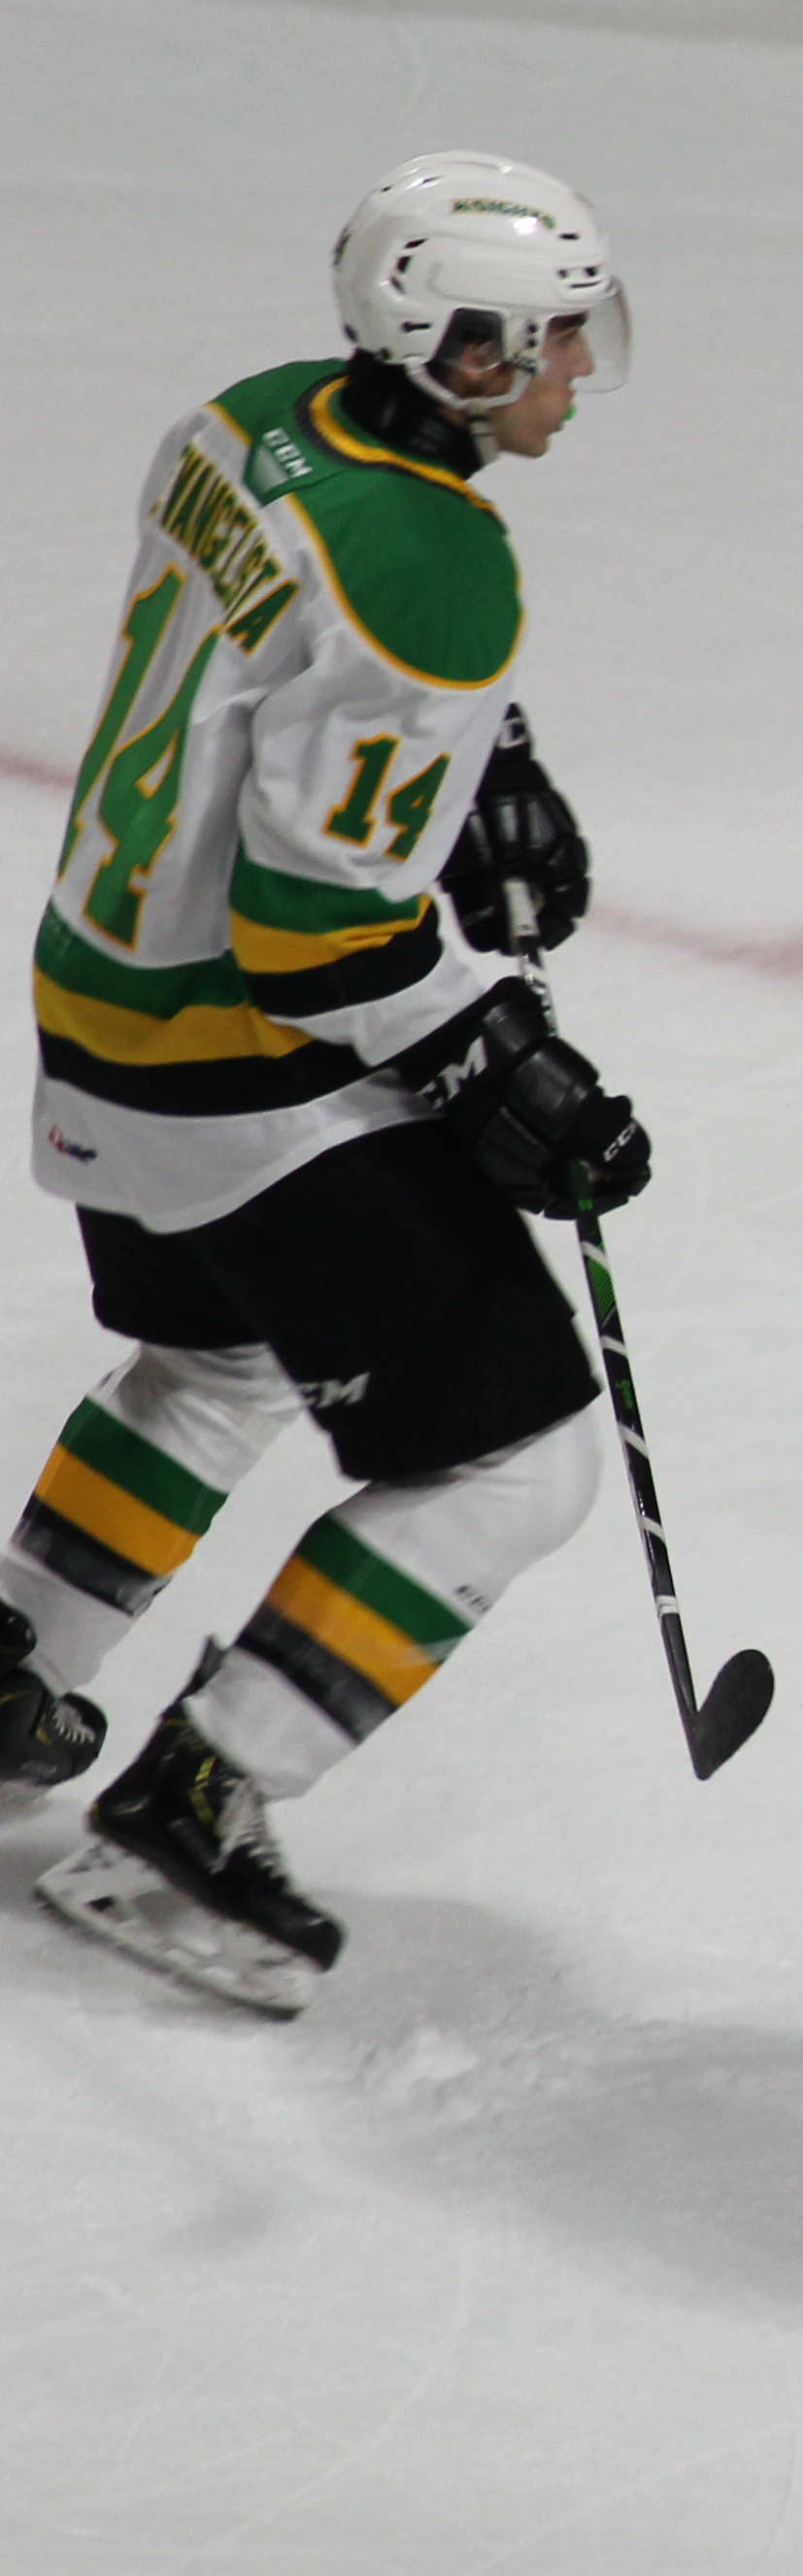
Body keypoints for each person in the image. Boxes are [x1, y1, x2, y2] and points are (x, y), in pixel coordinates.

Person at [7, 154, 652, 2017]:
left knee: (214, 1361)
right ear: (454, 353)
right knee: (516, 1460)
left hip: (97, 998)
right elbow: (323, 948)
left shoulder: (250, 421)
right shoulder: (438, 567)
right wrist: (507, 1070)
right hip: (231, 1067)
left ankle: (7, 1667)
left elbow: (297, 660)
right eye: (549, 345)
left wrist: (485, 763)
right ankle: (198, 1810)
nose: (576, 376)